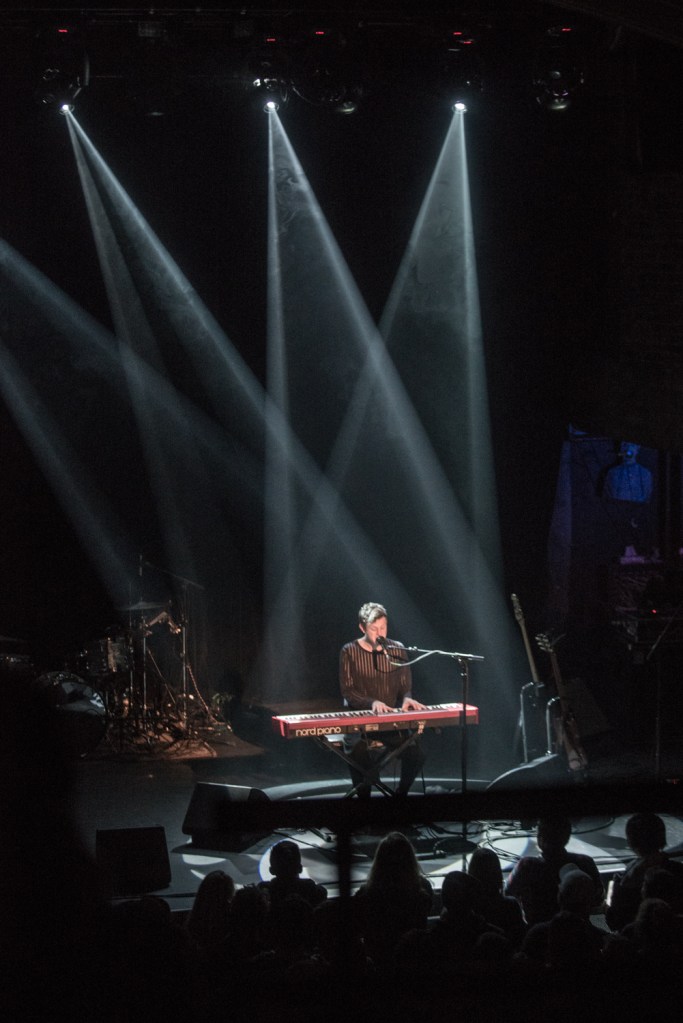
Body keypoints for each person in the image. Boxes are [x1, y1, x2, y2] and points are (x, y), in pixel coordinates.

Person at [339, 601, 426, 797]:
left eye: (383, 627)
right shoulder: (349, 651)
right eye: (374, 629)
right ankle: (365, 810)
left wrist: (406, 699)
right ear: (362, 627)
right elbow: (348, 691)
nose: (379, 633)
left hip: (389, 723)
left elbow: (405, 687)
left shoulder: (397, 649)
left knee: (416, 755)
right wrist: (372, 702)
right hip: (359, 726)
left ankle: (399, 797)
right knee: (361, 760)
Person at [504, 814, 603, 926]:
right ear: (567, 836)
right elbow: (598, 899)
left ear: (540, 837)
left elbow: (508, 893)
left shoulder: (526, 865)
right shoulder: (586, 863)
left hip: (536, 932)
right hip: (580, 930)